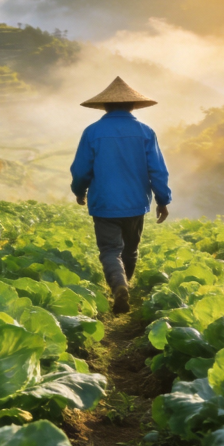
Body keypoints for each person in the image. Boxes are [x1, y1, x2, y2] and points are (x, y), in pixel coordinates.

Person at [70, 77, 172, 314]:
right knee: (130, 250)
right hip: (136, 203)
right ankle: (124, 285)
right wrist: (163, 200)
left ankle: (118, 285)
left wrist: (79, 191)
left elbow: (81, 169)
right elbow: (157, 170)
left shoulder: (92, 132)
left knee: (109, 250)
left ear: (105, 106)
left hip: (104, 203)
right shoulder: (145, 132)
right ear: (133, 106)